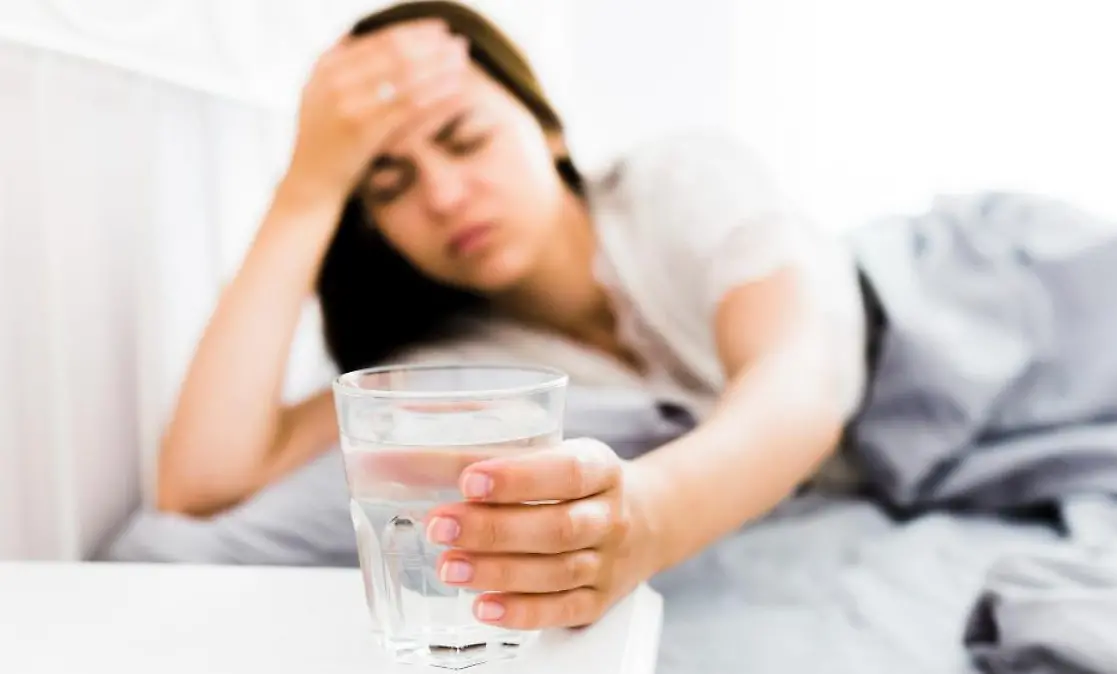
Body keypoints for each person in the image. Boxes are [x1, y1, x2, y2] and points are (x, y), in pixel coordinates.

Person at [157, 1, 870, 631]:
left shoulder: (678, 183)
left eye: (465, 139)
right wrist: (307, 190)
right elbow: (202, 483)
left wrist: (646, 522)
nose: (442, 193)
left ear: (547, 127)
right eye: (390, 186)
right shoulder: (451, 366)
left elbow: (803, 380)